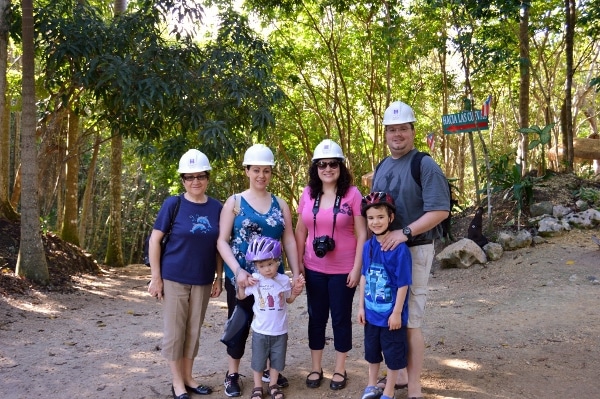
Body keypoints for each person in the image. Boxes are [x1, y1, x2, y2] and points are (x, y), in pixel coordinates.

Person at [371, 101, 451, 399]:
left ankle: (415, 386)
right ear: (385, 133)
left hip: (415, 249)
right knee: (391, 315)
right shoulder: (382, 165)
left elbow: (440, 210)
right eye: (392, 129)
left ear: (412, 131)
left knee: (411, 320)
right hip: (385, 253)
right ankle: (401, 375)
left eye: (403, 128)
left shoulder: (424, 164)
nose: (397, 134)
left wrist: (404, 233)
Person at [217, 144, 301, 397]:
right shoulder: (234, 202)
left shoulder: (280, 203)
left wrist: (296, 272)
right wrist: (237, 272)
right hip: (243, 278)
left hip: (273, 277)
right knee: (240, 324)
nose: (261, 175)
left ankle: (267, 369)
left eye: (266, 170)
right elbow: (222, 240)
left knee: (271, 323)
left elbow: (288, 240)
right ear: (247, 171)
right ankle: (232, 373)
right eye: (256, 170)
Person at [147, 149, 223, 399]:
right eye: (189, 177)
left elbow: (220, 246)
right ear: (182, 180)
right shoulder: (173, 204)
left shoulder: (217, 208)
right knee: (175, 332)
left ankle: (189, 377)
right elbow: (155, 240)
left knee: (193, 331)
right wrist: (156, 277)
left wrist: (218, 277)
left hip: (202, 279)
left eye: (200, 176)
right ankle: (177, 382)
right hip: (174, 277)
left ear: (208, 177)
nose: (195, 181)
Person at [294, 139, 367, 391]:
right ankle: (316, 367)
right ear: (315, 167)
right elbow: (300, 230)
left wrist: (358, 268)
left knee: (340, 319)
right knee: (316, 318)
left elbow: (362, 233)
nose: (327, 169)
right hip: (313, 268)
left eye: (333, 164)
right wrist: (298, 265)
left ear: (341, 166)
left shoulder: (353, 194)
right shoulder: (307, 193)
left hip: (343, 270)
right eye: (322, 164)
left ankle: (339, 368)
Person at [357, 192, 412, 399]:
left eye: (380, 217)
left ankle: (389, 391)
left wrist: (397, 312)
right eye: (371, 218)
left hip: (391, 317)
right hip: (371, 315)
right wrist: (361, 306)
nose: (375, 222)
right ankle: (371, 385)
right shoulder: (367, 247)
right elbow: (364, 276)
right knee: (372, 352)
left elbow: (403, 283)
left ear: (390, 218)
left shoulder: (400, 249)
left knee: (393, 355)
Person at [238, 236, 305, 399]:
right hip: (260, 330)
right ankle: (258, 386)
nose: (267, 269)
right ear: (256, 266)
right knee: (258, 361)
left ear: (277, 261)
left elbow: (288, 299)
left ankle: (273, 385)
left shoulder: (283, 280)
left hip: (280, 331)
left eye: (270, 264)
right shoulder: (255, 280)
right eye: (262, 266)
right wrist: (241, 284)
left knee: (277, 361)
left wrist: (295, 291)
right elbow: (241, 297)